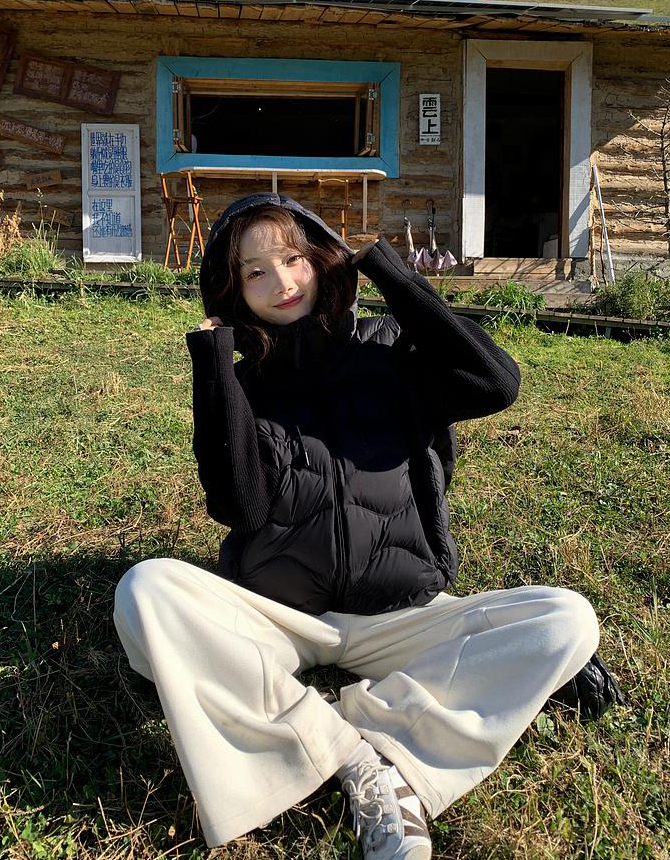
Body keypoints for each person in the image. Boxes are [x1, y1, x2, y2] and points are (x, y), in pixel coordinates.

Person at [113, 192, 600, 859]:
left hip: (402, 613)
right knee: (145, 593)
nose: (282, 282)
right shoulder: (243, 383)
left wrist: (392, 275)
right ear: (233, 289)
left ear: (320, 259)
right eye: (255, 272)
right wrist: (214, 364)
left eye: (293, 259)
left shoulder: (391, 349)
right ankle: (352, 756)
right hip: (280, 618)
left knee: (566, 619)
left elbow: (495, 384)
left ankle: (369, 747)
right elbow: (238, 507)